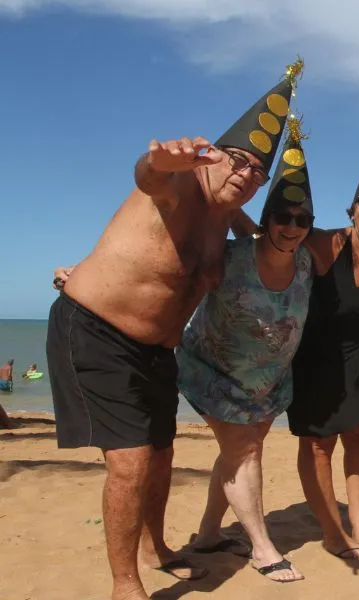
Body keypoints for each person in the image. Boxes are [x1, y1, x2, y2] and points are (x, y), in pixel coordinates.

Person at [44, 60, 301, 600]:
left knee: (161, 455)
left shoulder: (227, 215)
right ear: (210, 157)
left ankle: (155, 548)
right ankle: (125, 587)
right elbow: (149, 176)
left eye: (257, 170)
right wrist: (158, 159)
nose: (244, 174)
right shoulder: (180, 186)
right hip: (96, 331)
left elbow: (273, 241)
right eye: (236, 160)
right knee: (132, 462)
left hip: (158, 350)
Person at [233, 108, 359, 561]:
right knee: (319, 447)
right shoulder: (323, 243)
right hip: (318, 359)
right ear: (353, 209)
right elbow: (264, 237)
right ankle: (332, 530)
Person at [177, 116, 315, 582]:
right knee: (244, 453)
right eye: (283, 216)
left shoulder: (308, 264)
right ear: (267, 219)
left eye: (302, 219)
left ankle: (209, 535)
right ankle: (262, 548)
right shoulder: (230, 257)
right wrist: (81, 272)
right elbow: (166, 270)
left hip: (268, 382)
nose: (292, 226)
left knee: (238, 452)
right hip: (212, 372)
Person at [0, 359, 14, 429]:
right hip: (6, 382)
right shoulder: (10, 367)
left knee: (3, 394)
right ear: (11, 364)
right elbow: (9, 375)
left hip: (0, 382)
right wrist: (10, 382)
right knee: (9, 393)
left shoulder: (2, 367)